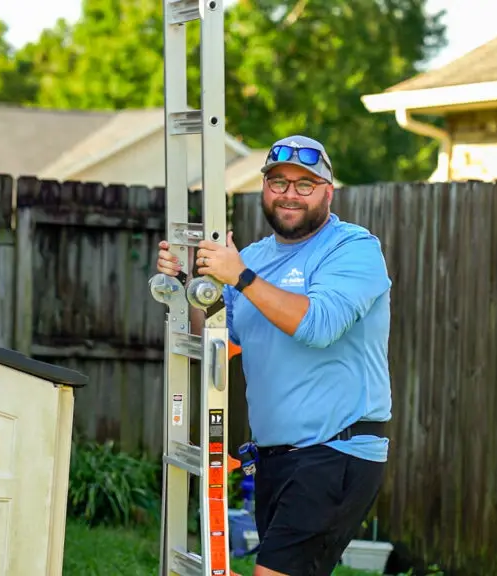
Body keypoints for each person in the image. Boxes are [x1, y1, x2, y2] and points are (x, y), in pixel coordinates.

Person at [155, 135, 393, 576]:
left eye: (305, 184)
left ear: (328, 191)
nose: (290, 194)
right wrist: (189, 281)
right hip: (275, 458)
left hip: (336, 450)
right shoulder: (256, 257)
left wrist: (239, 276)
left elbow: (318, 326)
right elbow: (218, 334)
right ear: (264, 189)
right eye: (278, 182)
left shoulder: (354, 248)